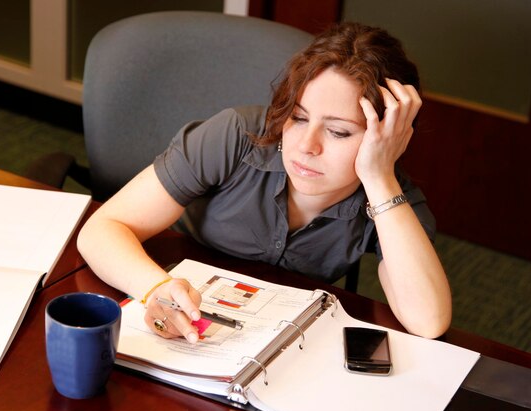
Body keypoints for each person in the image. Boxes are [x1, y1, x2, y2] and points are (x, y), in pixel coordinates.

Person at [77, 21, 452, 342]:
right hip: (175, 293)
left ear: (388, 138)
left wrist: (379, 178)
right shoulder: (236, 136)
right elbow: (102, 230)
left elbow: (429, 321)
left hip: (275, 339)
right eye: (299, 117)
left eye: (338, 132)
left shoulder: (391, 200)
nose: (306, 147)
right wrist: (156, 289)